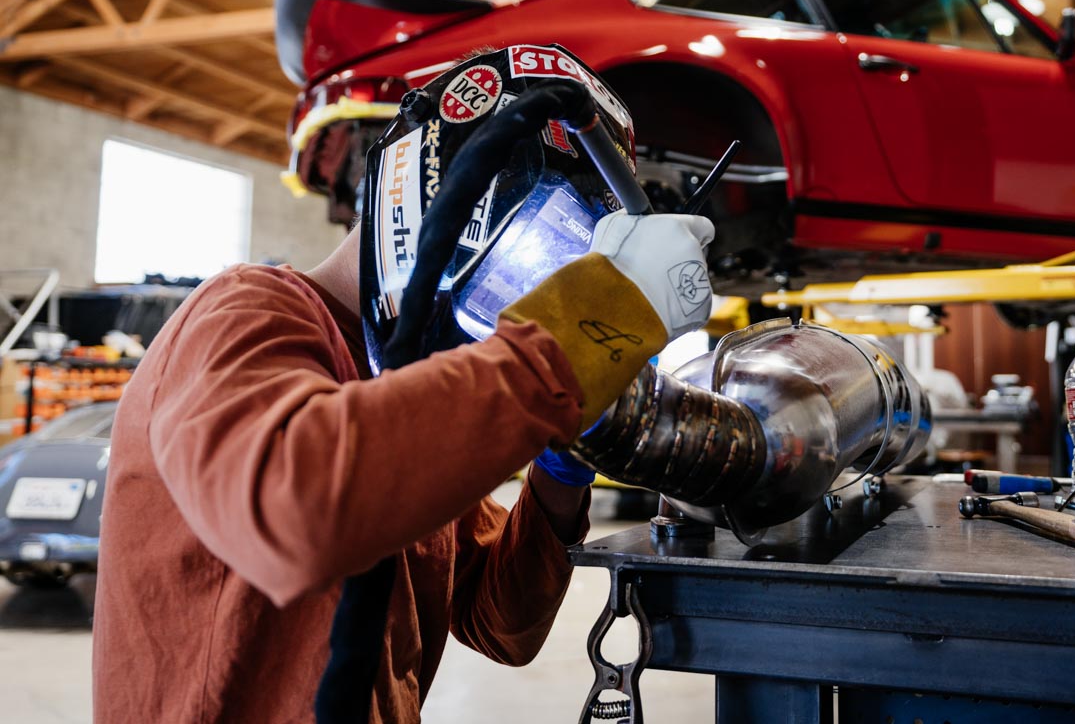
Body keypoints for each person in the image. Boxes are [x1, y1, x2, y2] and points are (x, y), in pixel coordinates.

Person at [92, 62, 714, 722]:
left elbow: (503, 622)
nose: (518, 303)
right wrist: (590, 327)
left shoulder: (407, 404)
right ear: (441, 195)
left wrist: (562, 470)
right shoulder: (241, 313)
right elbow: (293, 511)